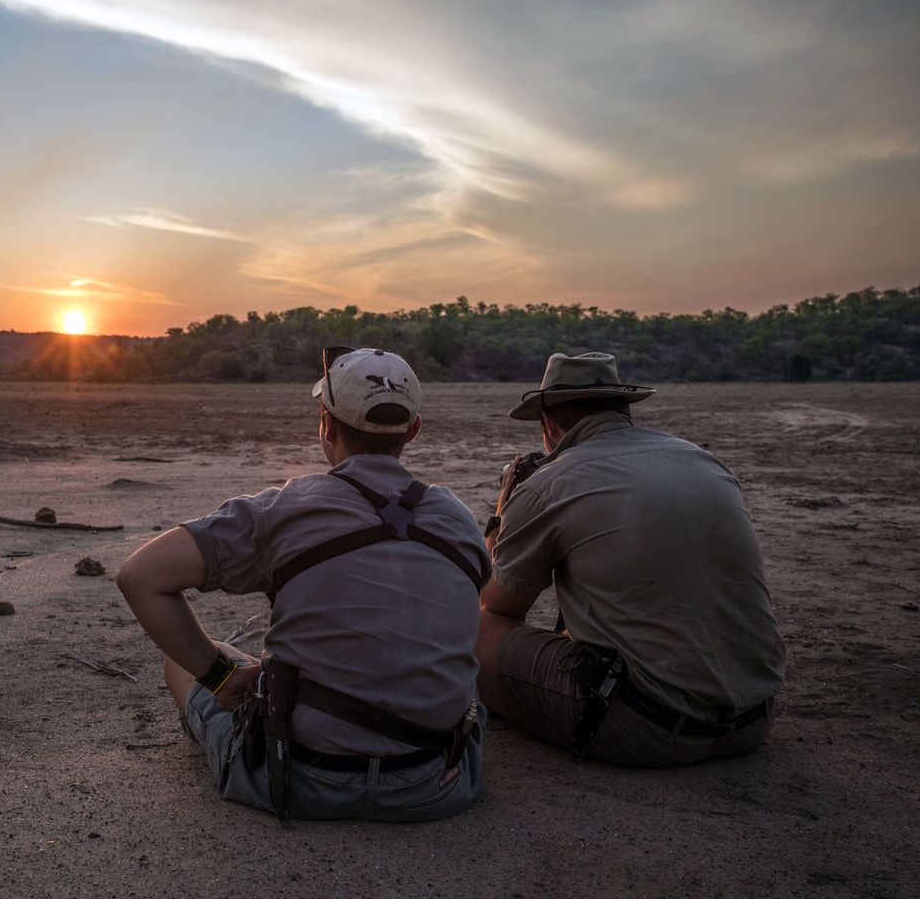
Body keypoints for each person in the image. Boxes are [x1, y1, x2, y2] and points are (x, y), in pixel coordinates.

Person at [116, 347, 489, 821]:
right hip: (435, 785)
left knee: (185, 662)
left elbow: (140, 576)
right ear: (413, 429)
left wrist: (220, 677)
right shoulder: (456, 516)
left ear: (326, 424)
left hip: (296, 780)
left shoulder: (285, 508)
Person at [473, 351, 786, 766]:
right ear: (624, 408)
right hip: (752, 719)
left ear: (547, 422)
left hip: (644, 728)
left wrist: (502, 513)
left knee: (468, 626)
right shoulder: (701, 460)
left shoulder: (551, 483)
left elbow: (497, 606)